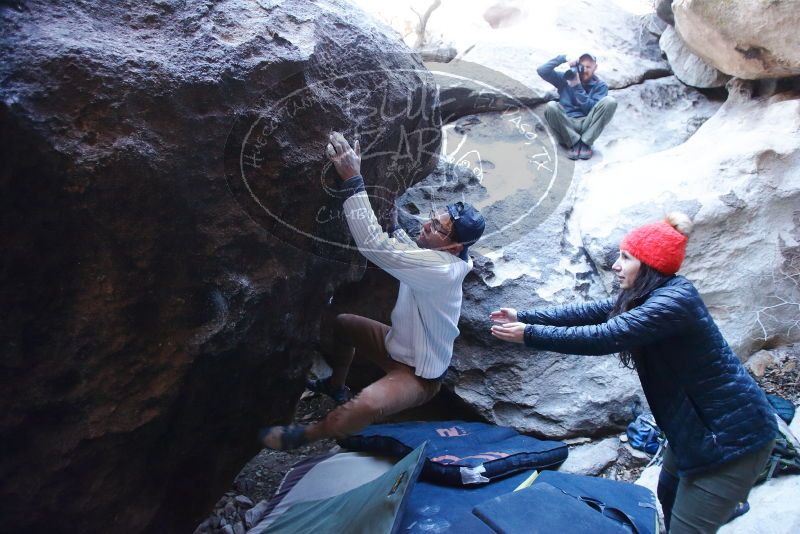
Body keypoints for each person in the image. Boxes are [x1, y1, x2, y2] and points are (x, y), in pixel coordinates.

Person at [490, 213, 777, 533]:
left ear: (650, 266)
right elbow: (591, 312)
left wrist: (529, 334)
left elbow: (604, 336)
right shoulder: (649, 295)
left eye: (626, 258)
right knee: (667, 498)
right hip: (695, 431)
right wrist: (523, 315)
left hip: (732, 440)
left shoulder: (672, 302)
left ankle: (722, 504)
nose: (615, 264)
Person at [259, 132, 485, 450]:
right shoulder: (444, 256)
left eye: (437, 227)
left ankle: (306, 436)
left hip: (419, 375)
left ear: (455, 245)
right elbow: (403, 243)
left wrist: (353, 179)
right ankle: (336, 385)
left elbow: (375, 246)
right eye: (434, 216)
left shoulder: (440, 269)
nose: (427, 224)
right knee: (344, 324)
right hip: (396, 346)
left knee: (364, 405)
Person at [537, 53, 617, 160]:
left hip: (587, 125)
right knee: (551, 106)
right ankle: (574, 142)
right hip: (567, 125)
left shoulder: (600, 85)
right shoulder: (565, 78)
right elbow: (542, 70)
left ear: (595, 68)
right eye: (582, 66)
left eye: (588, 67)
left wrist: (577, 87)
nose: (584, 70)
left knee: (610, 101)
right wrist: (564, 58)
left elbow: (591, 109)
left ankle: (585, 142)